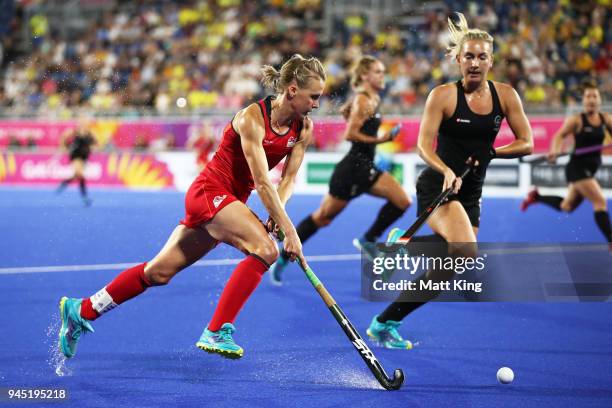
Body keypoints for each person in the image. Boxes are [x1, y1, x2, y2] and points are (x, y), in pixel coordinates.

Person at [58, 55, 326, 359]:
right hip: (210, 192)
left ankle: (83, 310)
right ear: (292, 90)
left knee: (158, 273)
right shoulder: (252, 118)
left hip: (229, 203)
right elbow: (263, 182)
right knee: (266, 249)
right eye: (313, 96)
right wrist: (290, 230)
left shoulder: (303, 128)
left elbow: (287, 180)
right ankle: (216, 330)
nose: (316, 104)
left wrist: (279, 215)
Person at [367, 12, 533, 348]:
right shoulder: (442, 95)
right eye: (468, 56)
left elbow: (526, 142)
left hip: (472, 189)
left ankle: (386, 320)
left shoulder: (506, 96)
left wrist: (493, 153)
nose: (474, 62)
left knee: (451, 265)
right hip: (438, 184)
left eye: (481, 56)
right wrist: (445, 171)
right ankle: (401, 254)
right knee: (466, 252)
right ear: (458, 59)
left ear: (491, 60)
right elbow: (422, 146)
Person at [269, 55, 412, 285]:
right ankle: (284, 256)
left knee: (403, 201)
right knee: (322, 218)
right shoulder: (364, 100)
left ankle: (369, 239)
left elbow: (353, 118)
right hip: (352, 171)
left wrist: (351, 112)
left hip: (366, 167)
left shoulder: (370, 98)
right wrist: (382, 138)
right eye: (377, 72)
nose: (382, 76)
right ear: (364, 76)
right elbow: (350, 134)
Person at [520, 81, 612, 246]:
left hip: (590, 169)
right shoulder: (577, 120)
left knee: (567, 206)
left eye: (595, 96)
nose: (591, 99)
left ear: (600, 100)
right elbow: (558, 136)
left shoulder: (606, 119)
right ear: (583, 101)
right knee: (600, 201)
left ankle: (537, 197)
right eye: (588, 96)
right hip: (576, 169)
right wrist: (555, 150)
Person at [56, 121, 96, 206]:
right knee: (80, 175)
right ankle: (85, 197)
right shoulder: (74, 132)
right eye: (81, 126)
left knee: (77, 176)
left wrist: (91, 148)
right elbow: (63, 137)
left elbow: (95, 144)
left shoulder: (89, 135)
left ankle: (64, 183)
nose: (83, 127)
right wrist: (63, 147)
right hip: (75, 156)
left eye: (84, 126)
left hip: (84, 157)